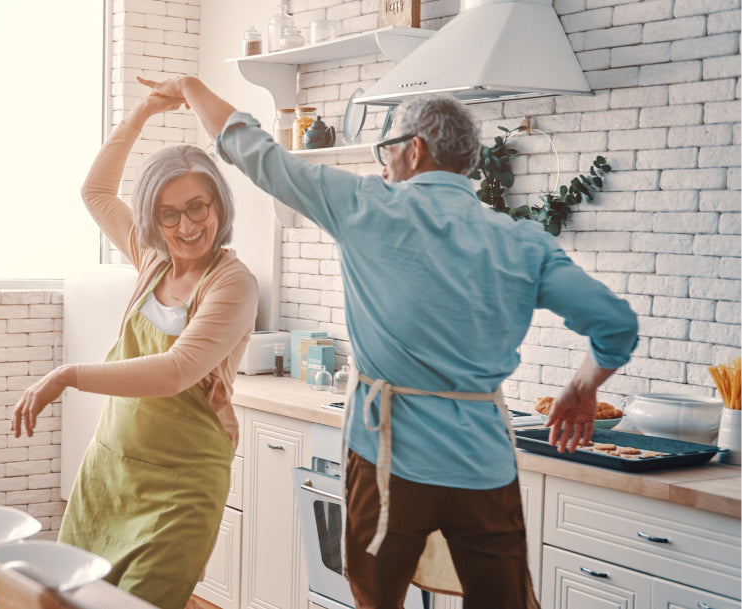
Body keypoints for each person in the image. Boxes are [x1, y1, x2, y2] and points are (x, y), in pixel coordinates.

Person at [139, 75, 639, 609]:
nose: (382, 165)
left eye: (386, 149)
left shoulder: (365, 206)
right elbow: (616, 325)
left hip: (385, 461)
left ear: (413, 150)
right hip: (483, 466)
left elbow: (252, 149)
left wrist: (192, 88)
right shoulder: (520, 241)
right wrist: (584, 387)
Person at [9, 89, 258, 609]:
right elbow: (97, 191)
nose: (186, 227)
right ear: (153, 219)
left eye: (197, 207)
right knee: (70, 601)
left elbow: (176, 371)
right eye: (169, 215)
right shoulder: (153, 259)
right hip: (110, 473)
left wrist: (67, 375)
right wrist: (141, 114)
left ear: (218, 205)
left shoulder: (231, 283)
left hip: (181, 490)